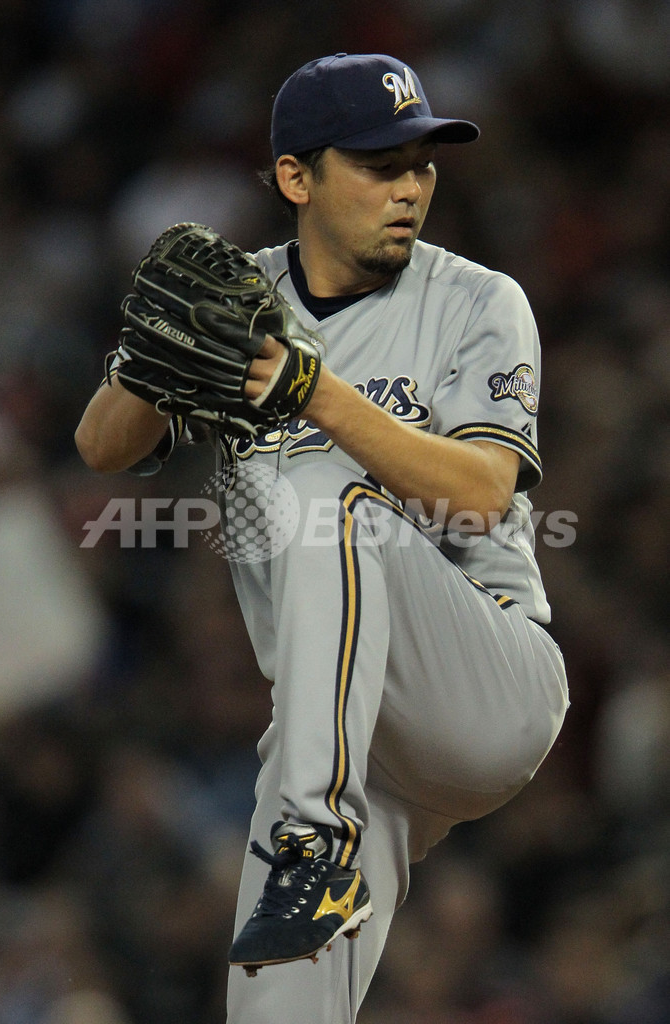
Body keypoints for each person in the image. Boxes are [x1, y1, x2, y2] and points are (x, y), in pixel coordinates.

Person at [76, 52, 569, 1024]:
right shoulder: (244, 299)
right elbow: (100, 448)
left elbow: (481, 494)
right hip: (343, 734)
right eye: (380, 165)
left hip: (483, 677)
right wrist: (150, 361)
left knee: (319, 490)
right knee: (274, 1010)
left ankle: (314, 838)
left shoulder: (477, 300)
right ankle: (317, 842)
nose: (410, 187)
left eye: (421, 164)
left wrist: (314, 391)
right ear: (296, 177)